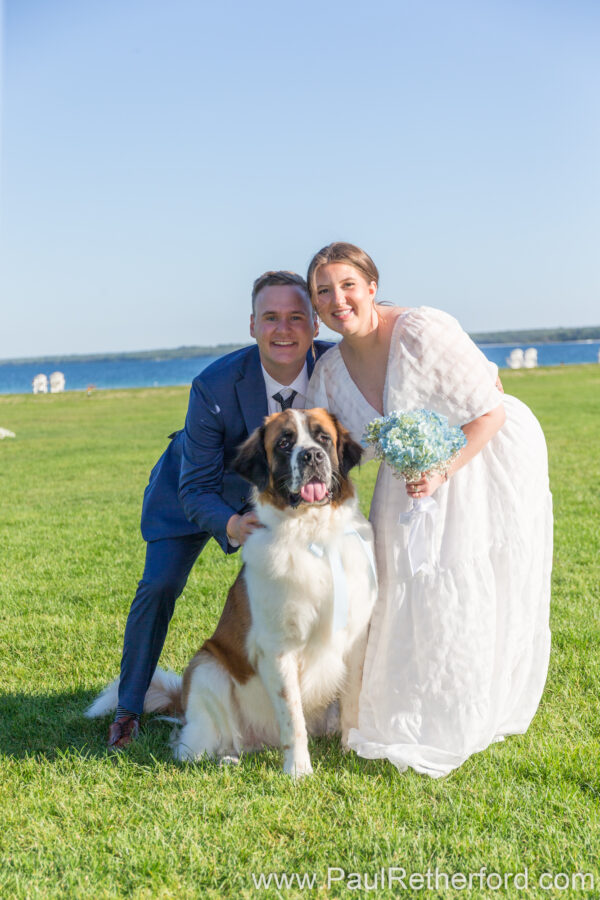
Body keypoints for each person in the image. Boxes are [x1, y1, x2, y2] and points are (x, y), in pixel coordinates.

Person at [306, 242, 552, 778]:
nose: (337, 299)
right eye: (323, 291)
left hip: (479, 457)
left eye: (348, 285)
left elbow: (489, 410)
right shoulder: (326, 374)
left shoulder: (421, 330)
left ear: (371, 286)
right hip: (406, 478)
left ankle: (464, 704)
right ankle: (402, 704)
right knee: (400, 586)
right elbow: (320, 449)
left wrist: (443, 470)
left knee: (461, 577)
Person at [107, 271, 332, 749]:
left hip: (284, 499)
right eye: (271, 318)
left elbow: (388, 365)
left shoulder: (336, 365)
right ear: (253, 325)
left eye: (296, 317)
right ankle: (128, 709)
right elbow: (194, 485)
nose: (283, 329)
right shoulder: (213, 384)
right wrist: (231, 523)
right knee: (160, 584)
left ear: (315, 324)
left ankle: (323, 701)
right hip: (195, 494)